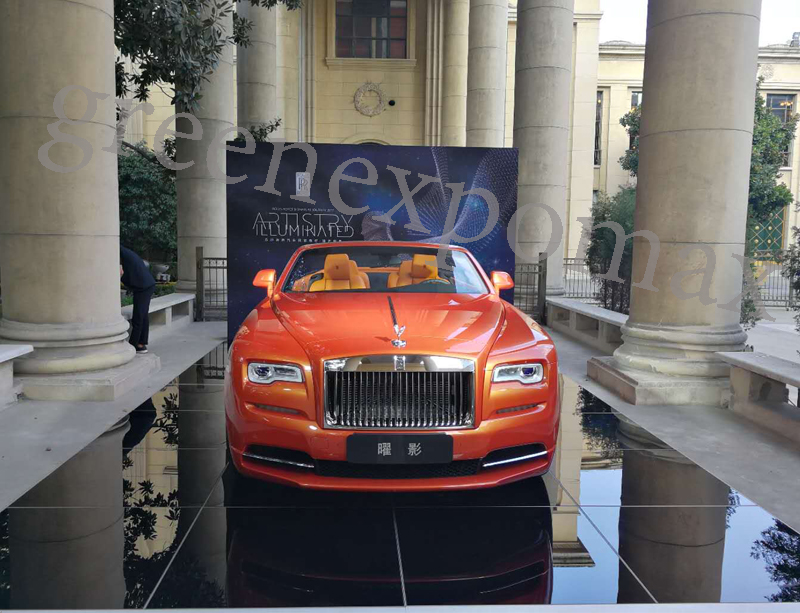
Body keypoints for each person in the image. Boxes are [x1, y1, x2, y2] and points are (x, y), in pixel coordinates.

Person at [120, 246, 156, 354]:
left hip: (144, 287)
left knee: (139, 316)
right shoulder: (124, 253)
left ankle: (133, 345)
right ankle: (141, 343)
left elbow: (120, 274)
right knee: (143, 315)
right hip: (145, 285)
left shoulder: (118, 254)